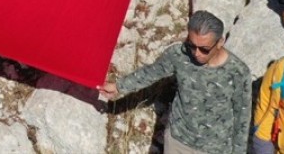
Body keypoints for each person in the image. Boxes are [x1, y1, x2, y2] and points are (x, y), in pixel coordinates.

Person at [99, 11, 251, 154]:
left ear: (220, 42)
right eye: (192, 45)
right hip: (178, 142)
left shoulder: (238, 72)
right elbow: (151, 72)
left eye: (204, 49)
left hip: (216, 149)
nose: (196, 53)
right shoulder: (179, 55)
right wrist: (119, 86)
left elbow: (242, 117)